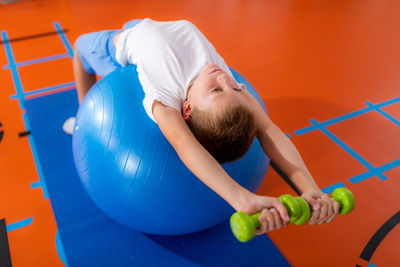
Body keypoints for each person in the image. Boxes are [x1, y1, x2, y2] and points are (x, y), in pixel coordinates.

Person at [64, 18, 339, 236]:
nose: (225, 78)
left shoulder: (165, 92)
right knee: (133, 25)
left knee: (80, 47)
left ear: (187, 108)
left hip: (121, 46)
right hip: (144, 26)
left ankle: (82, 119)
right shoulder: (223, 79)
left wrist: (241, 198)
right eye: (234, 88)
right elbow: (269, 131)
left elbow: (183, 144)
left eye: (217, 90)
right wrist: (310, 188)